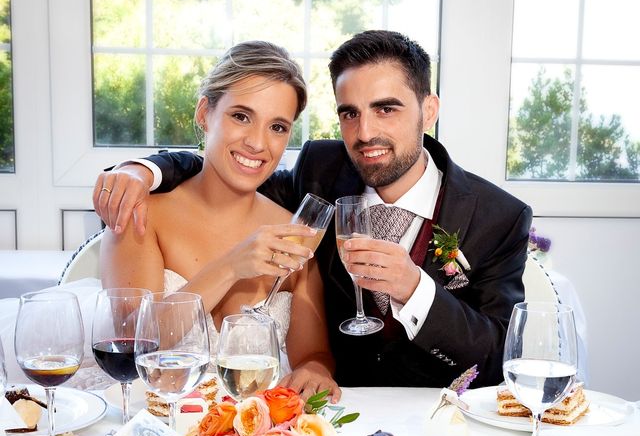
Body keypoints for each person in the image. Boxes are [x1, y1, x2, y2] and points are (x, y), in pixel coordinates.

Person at [94, 30, 532, 388]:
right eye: (350, 114)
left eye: (386, 109)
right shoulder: (317, 182)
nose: (366, 133)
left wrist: (414, 288)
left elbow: (499, 361)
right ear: (205, 113)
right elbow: (224, 172)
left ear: (429, 109)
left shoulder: (498, 217)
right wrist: (144, 170)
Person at [99, 40, 340, 401]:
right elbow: (134, 345)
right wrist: (231, 266)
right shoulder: (143, 215)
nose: (258, 143)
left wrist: (315, 371)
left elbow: (314, 357)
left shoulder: (295, 233)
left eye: (277, 127)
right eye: (241, 116)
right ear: (204, 113)